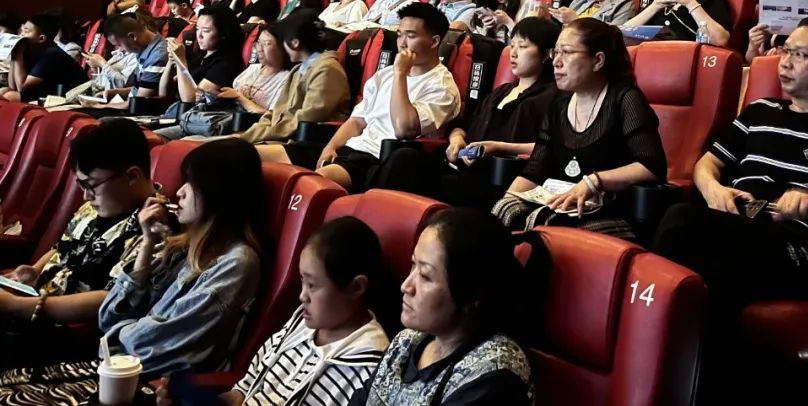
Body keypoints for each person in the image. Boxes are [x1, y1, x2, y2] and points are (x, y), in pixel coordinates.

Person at [652, 15, 808, 338]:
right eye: (786, 51)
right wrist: (715, 191)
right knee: (687, 238)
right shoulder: (761, 111)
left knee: (682, 226)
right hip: (738, 224)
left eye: (800, 55)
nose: (785, 63)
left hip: (799, 244)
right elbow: (707, 164)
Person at [0, 139, 266, 400]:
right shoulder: (186, 247)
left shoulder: (236, 264)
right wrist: (148, 244)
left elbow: (146, 344)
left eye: (192, 185)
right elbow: (110, 315)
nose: (180, 192)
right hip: (114, 364)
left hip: (149, 383)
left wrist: (122, 331)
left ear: (218, 195)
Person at [156, 217, 391, 406]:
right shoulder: (302, 320)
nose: (302, 296)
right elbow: (241, 393)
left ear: (356, 288)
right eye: (302, 282)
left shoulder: (369, 369)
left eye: (312, 285)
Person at [0, 119, 156, 367]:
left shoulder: (154, 228)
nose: (86, 196)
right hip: (37, 304)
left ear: (132, 176)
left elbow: (111, 300)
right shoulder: (93, 209)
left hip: (71, 336)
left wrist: (18, 306)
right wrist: (35, 271)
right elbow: (62, 248)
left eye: (91, 186)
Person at [491, 18, 666, 240]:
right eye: (555, 53)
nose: (556, 62)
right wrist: (506, 201)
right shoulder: (559, 104)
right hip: (561, 201)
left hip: (612, 208)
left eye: (566, 52)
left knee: (546, 226)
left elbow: (651, 166)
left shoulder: (625, 99)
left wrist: (593, 182)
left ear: (598, 60)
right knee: (504, 211)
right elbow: (535, 169)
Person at [354, 208, 533, 405]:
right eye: (413, 265)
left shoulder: (492, 376)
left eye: (425, 276)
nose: (406, 286)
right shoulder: (406, 342)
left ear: (471, 294)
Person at [298, 4, 461, 194]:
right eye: (399, 35)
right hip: (352, 147)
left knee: (308, 185)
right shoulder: (384, 74)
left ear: (434, 42)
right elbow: (358, 121)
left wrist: (400, 74)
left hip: (377, 160)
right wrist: (331, 147)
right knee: (269, 157)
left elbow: (403, 128)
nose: (402, 43)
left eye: (411, 36)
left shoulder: (442, 87)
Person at [442, 17, 560, 206]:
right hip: (464, 170)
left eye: (523, 46)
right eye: (512, 45)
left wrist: (497, 147)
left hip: (499, 181)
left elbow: (550, 147)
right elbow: (462, 126)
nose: (513, 53)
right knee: (408, 159)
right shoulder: (500, 91)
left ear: (546, 54)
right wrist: (456, 140)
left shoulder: (552, 97)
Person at [155, 23, 291, 140]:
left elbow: (271, 118)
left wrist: (239, 97)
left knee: (185, 143)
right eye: (258, 43)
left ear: (284, 48)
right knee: (156, 137)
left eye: (266, 44)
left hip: (241, 130)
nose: (259, 48)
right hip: (216, 120)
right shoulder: (253, 69)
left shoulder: (287, 79)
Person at [243, 10, 350, 148]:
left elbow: (306, 119)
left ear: (294, 43)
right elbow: (276, 112)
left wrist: (251, 137)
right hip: (283, 137)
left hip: (306, 143)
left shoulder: (327, 69)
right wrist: (248, 135)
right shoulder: (298, 70)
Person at [158, 6, 245, 105]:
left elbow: (190, 101)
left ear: (223, 34)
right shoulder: (198, 57)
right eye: (197, 29)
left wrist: (181, 62)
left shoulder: (227, 65)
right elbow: (163, 93)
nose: (199, 35)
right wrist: (171, 60)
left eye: (206, 31)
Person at [1, 13, 87, 103]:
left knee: (9, 96)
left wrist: (18, 54)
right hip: (45, 92)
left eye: (26, 31)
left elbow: (21, 88)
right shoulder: (31, 51)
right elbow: (12, 86)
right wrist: (14, 55)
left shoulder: (52, 54)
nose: (21, 35)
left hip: (69, 97)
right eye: (21, 31)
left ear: (41, 39)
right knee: (3, 90)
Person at [91, 11, 169, 102]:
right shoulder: (144, 49)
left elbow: (139, 102)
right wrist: (114, 92)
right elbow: (138, 89)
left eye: (119, 45)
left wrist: (98, 106)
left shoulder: (157, 56)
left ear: (132, 36)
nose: (120, 49)